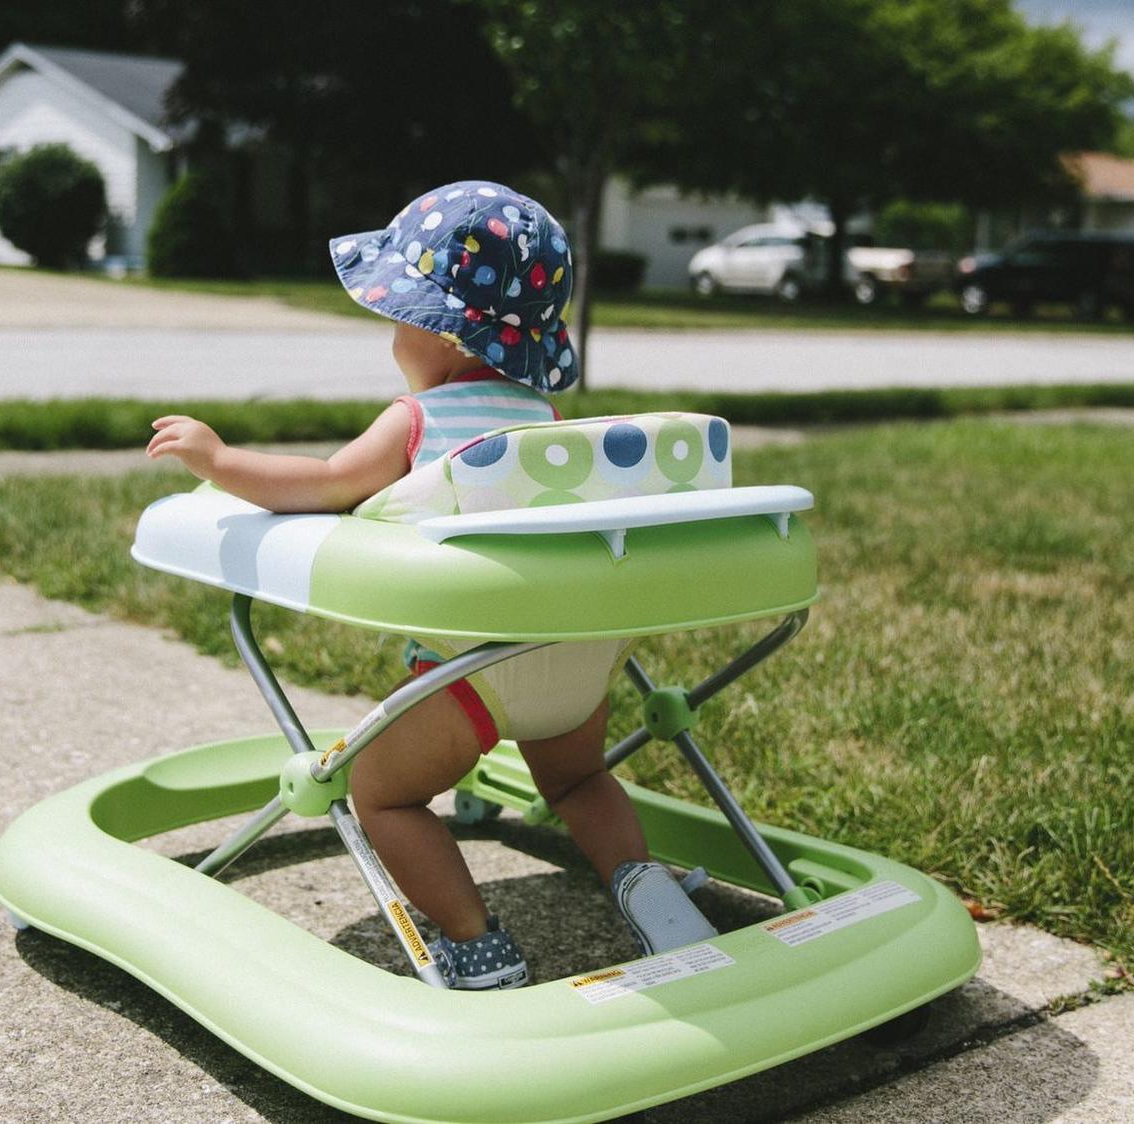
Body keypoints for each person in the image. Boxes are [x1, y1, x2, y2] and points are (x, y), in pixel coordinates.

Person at [146, 181, 717, 989]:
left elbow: (323, 484)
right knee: (580, 780)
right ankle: (650, 894)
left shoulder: (419, 420)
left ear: (442, 330)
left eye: (397, 317)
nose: (391, 335)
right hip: (577, 660)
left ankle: (476, 942)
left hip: (469, 672)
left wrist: (219, 459)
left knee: (381, 796)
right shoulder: (549, 425)